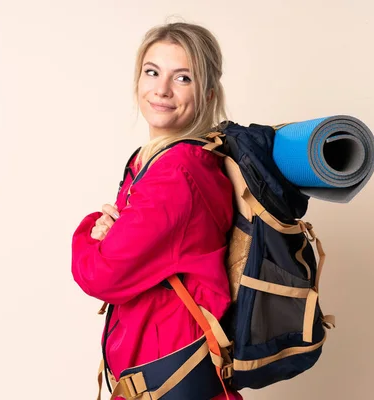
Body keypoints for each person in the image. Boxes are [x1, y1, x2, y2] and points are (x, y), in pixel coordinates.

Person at [71, 22, 243, 400]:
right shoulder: (154, 161)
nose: (162, 89)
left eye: (182, 77)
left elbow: (101, 275)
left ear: (208, 93)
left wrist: (89, 231)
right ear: (138, 81)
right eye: (152, 72)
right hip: (161, 379)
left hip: (174, 382)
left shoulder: (177, 173)